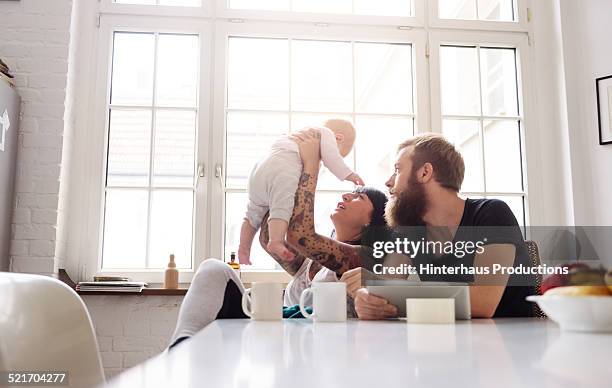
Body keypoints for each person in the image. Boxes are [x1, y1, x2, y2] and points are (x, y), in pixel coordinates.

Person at [168, 179, 388, 349]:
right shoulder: (309, 261)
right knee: (213, 268)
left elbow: (300, 235)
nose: (347, 195)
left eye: (360, 197)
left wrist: (312, 162)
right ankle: (181, 347)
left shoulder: (367, 258)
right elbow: (267, 233)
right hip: (277, 336)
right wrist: (287, 172)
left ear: (372, 220)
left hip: (317, 350)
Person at [352, 133, 537, 320]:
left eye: (398, 170)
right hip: (449, 340)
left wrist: (392, 299)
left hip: (512, 342)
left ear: (425, 172)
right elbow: (388, 286)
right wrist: (369, 300)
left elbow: (483, 303)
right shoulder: (408, 232)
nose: (388, 182)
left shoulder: (492, 213)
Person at [238, 118, 364, 265]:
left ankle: (244, 248)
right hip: (281, 169)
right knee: (282, 205)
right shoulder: (325, 134)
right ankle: (276, 240)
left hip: (259, 171)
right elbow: (333, 159)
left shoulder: (298, 134)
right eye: (340, 153)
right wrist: (348, 174)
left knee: (252, 213)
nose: (324, 161)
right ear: (338, 138)